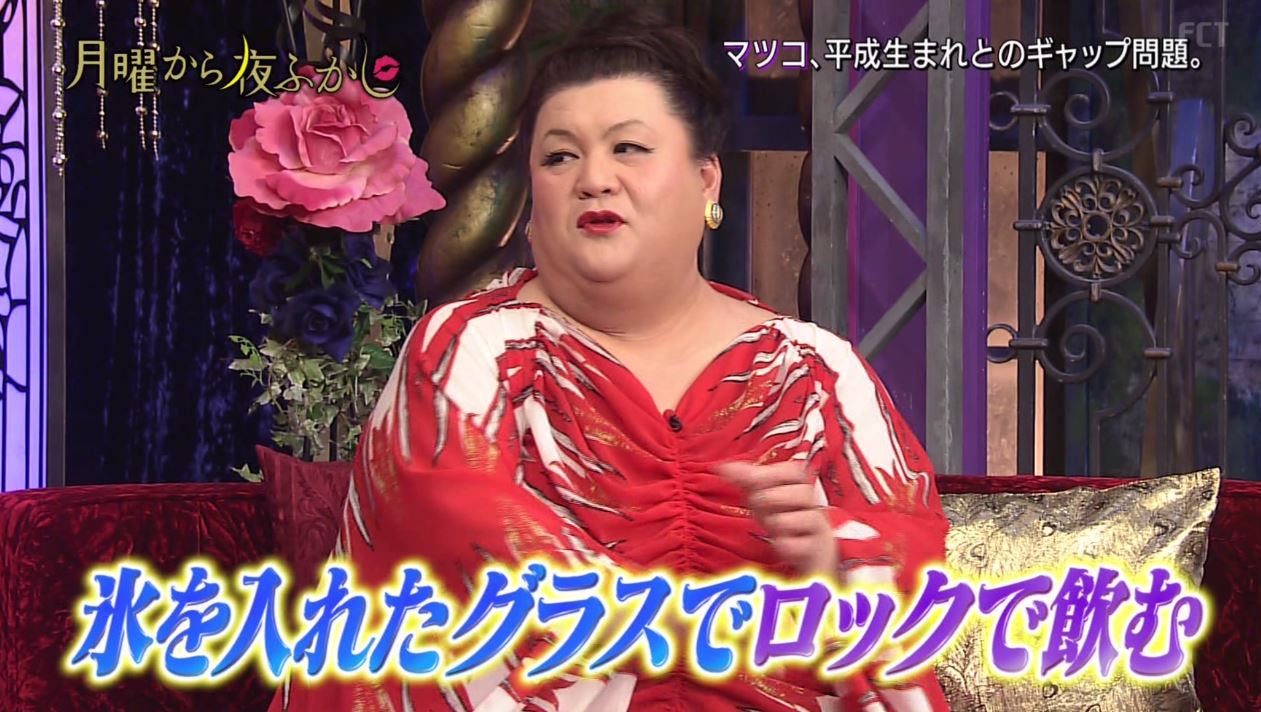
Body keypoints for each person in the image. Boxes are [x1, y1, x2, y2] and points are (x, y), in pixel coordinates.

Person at [271, 7, 950, 711]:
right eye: (559, 157)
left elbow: (909, 557)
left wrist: (838, 559)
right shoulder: (472, 349)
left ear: (706, 181)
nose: (593, 178)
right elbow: (457, 533)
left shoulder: (816, 371)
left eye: (629, 148)